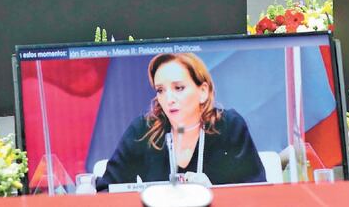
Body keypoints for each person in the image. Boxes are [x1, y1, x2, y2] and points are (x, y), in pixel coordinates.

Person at [97, 53, 266, 190]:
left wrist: (215, 195)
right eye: (160, 90)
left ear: (203, 91)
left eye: (178, 88)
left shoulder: (229, 126)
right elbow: (107, 190)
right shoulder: (142, 130)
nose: (169, 99)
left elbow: (256, 193)